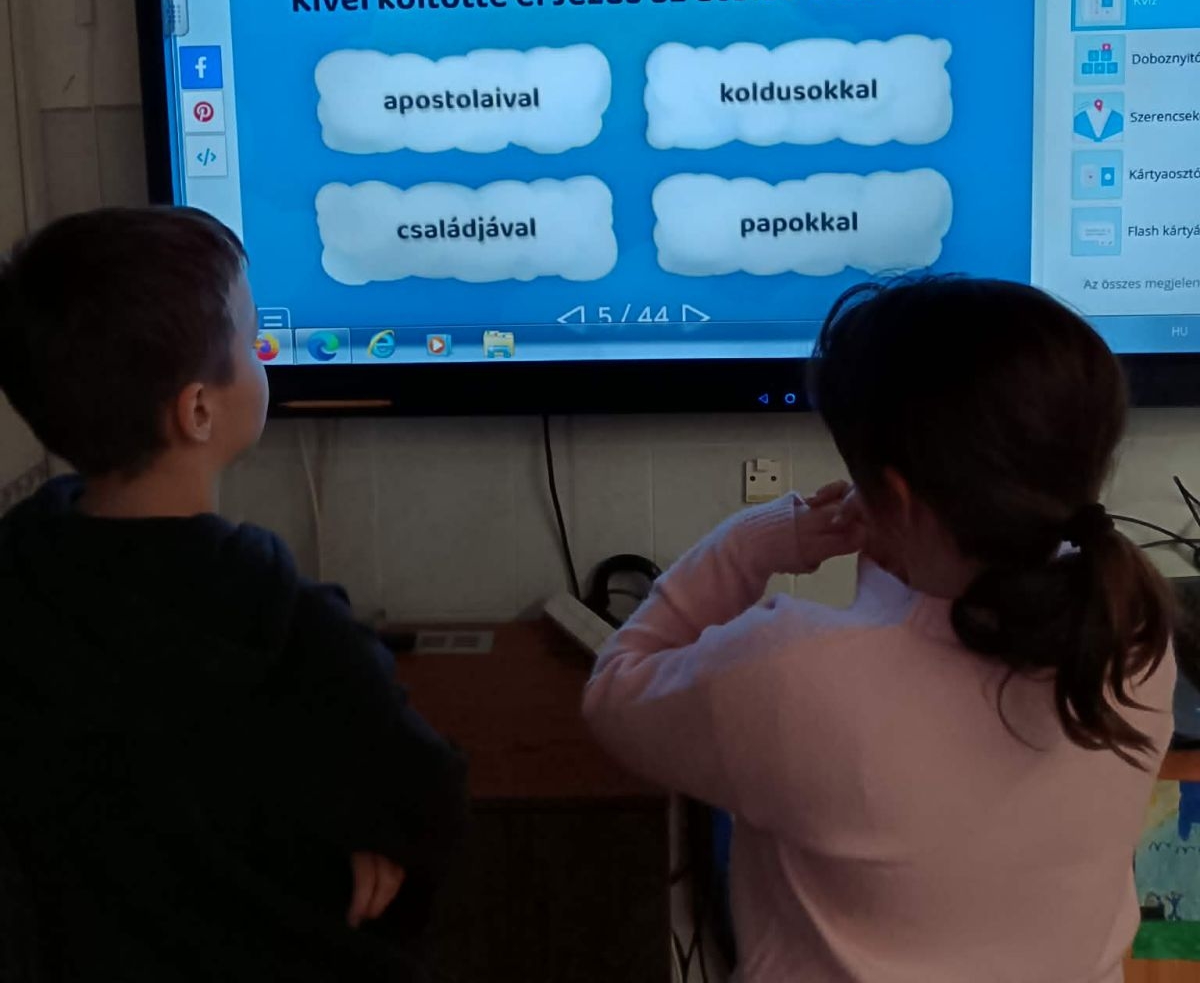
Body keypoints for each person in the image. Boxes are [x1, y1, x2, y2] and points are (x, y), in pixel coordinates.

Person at [584, 276, 1175, 983]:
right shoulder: (1132, 635)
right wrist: (903, 549)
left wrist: (748, 545)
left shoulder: (791, 672)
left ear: (896, 496)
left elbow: (615, 692)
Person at [0, 207, 466, 983]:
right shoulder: (290, 629)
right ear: (198, 410)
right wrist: (352, 849)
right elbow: (427, 801)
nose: (264, 355)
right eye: (253, 341)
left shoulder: (20, 586)